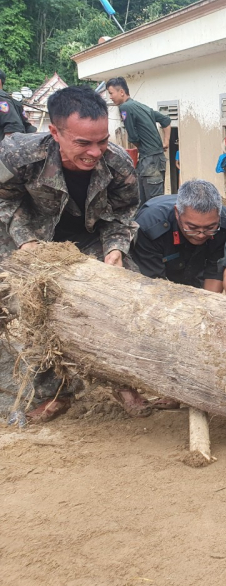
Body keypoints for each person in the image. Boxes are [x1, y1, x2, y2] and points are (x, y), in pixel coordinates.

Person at [0, 85, 150, 421]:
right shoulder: (18, 154)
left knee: (122, 300)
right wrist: (25, 242)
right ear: (54, 132)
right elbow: (4, 200)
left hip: (91, 237)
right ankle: (55, 393)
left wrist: (114, 252)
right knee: (37, 311)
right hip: (34, 239)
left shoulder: (119, 165)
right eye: (83, 143)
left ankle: (124, 382)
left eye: (102, 140)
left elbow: (124, 216)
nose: (96, 152)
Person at [132, 179, 226, 291]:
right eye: (192, 228)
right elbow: (153, 283)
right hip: (159, 274)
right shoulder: (149, 225)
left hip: (197, 272)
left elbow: (214, 271)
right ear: (177, 213)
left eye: (210, 228)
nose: (201, 235)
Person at [106, 76, 172, 206]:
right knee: (144, 203)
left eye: (111, 93)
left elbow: (133, 137)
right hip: (152, 160)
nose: (110, 97)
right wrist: (166, 142)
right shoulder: (143, 107)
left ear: (121, 92)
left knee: (154, 205)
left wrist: (142, 146)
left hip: (150, 161)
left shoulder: (125, 107)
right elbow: (166, 121)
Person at [0, 69, 37, 137]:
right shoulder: (15, 103)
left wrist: (7, 147)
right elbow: (28, 128)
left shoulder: (2, 100)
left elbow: (12, 128)